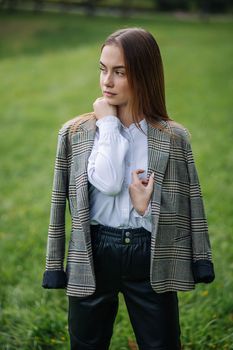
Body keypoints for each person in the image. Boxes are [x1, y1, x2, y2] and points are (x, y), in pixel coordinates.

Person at [42, 27, 215, 350]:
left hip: (148, 252)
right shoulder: (75, 133)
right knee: (86, 342)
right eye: (103, 70)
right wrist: (107, 123)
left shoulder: (173, 138)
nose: (107, 81)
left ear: (144, 75)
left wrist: (145, 209)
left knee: (161, 342)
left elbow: (192, 203)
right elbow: (101, 186)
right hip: (94, 251)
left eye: (119, 73)